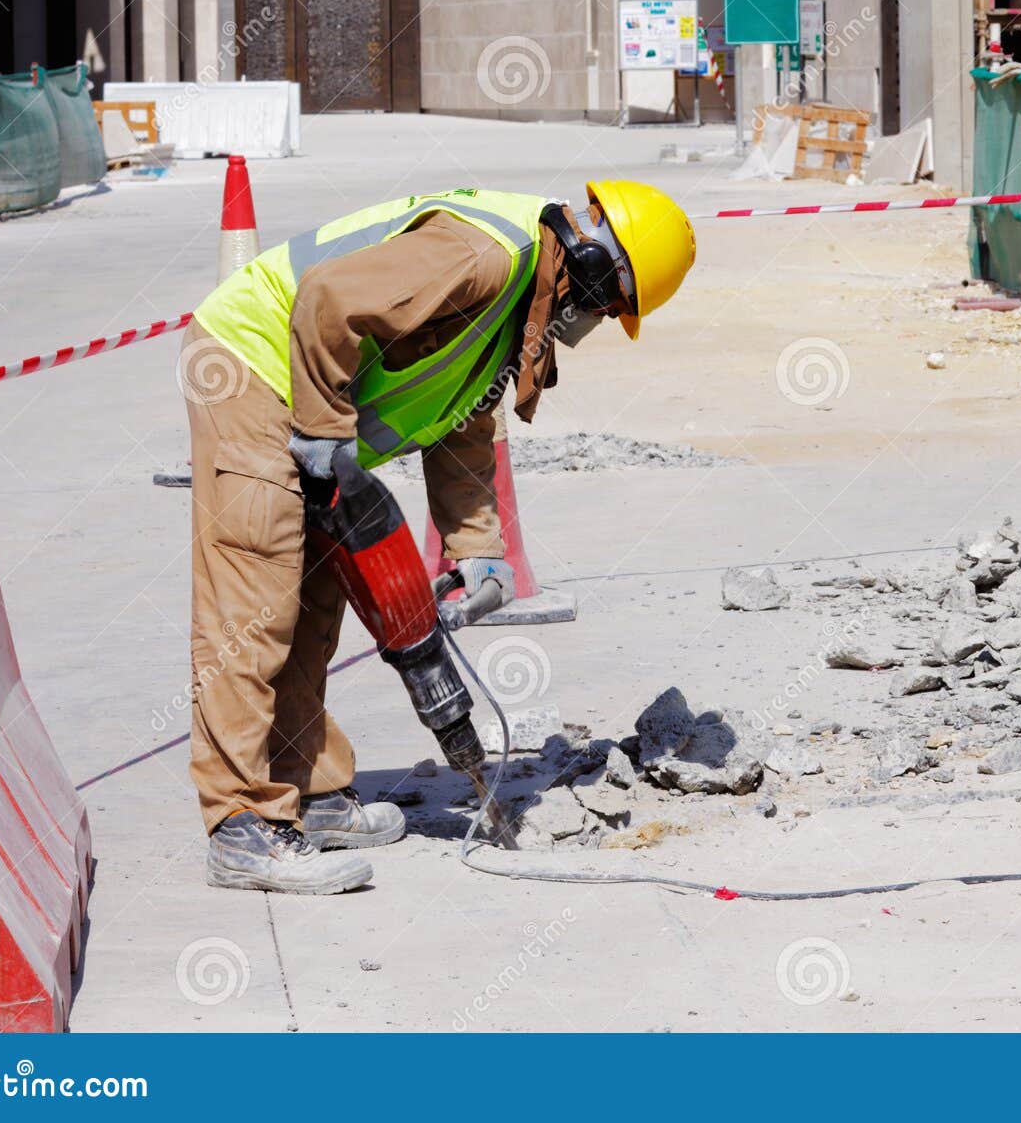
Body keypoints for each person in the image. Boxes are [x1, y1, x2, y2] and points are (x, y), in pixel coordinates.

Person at [179, 181, 695, 893]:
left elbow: (463, 415)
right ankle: (241, 824)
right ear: (595, 261)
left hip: (308, 381)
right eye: (609, 305)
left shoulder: (518, 298)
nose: (598, 321)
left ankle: (310, 790)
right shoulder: (484, 256)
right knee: (258, 594)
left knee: (317, 594)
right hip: (256, 360)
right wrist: (324, 433)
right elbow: (327, 300)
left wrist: (477, 546)